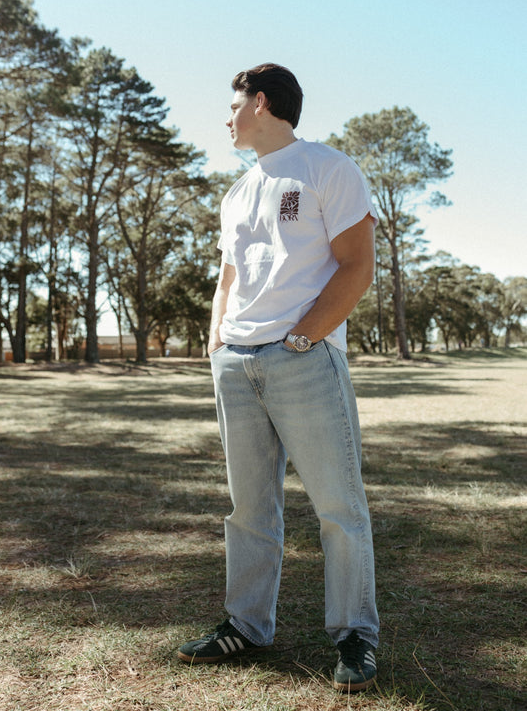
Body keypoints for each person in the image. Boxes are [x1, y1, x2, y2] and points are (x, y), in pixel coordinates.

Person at [177, 63, 380, 693]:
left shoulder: (327, 168)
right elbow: (228, 280)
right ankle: (245, 625)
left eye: (233, 105)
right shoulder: (235, 194)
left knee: (339, 508)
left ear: (260, 103)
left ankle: (354, 635)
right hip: (237, 364)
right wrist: (218, 345)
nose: (226, 117)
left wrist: (303, 338)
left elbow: (357, 264)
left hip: (302, 360)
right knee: (249, 509)